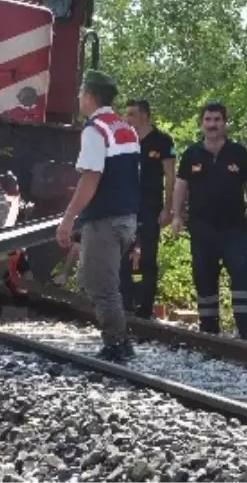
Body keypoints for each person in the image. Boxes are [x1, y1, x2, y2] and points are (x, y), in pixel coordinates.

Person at [55, 71, 141, 362]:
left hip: (104, 220)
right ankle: (119, 341)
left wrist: (68, 219)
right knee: (100, 280)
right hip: (127, 217)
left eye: (81, 93)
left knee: (101, 285)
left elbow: (90, 179)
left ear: (90, 96)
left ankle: (117, 345)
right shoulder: (124, 127)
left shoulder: (95, 130)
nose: (79, 98)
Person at [171, 102, 247, 339]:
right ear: (202, 123)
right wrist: (176, 216)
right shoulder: (191, 154)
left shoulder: (238, 153)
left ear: (225, 123)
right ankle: (209, 332)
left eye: (217, 120)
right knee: (204, 276)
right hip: (202, 227)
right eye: (208, 120)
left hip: (234, 227)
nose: (212, 125)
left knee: (243, 274)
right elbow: (180, 186)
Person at [120, 99, 175, 319]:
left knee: (147, 258)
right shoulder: (125, 141)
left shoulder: (162, 141)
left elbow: (170, 176)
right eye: (126, 114)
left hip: (151, 207)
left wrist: (168, 209)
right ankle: (126, 303)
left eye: (132, 114)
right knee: (124, 256)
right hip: (126, 207)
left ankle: (145, 306)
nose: (127, 119)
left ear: (145, 116)